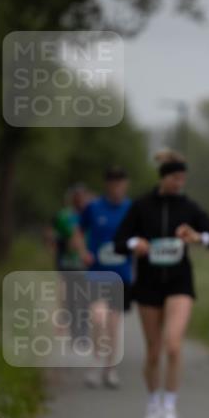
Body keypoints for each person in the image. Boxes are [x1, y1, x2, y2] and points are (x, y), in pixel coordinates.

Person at [114, 149, 209, 418]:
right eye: (175, 178)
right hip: (149, 285)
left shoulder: (188, 208)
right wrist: (134, 244)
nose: (179, 183)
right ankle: (152, 406)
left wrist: (198, 236)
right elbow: (119, 241)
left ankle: (170, 408)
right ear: (163, 178)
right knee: (153, 351)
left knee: (173, 345)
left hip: (179, 284)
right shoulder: (141, 206)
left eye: (182, 179)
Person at [71, 166, 133, 389]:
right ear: (107, 185)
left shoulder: (131, 208)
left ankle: (110, 368)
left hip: (122, 275)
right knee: (98, 318)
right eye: (113, 183)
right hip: (97, 272)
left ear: (125, 185)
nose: (117, 187)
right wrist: (82, 252)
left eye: (121, 183)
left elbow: (142, 236)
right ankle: (95, 364)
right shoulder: (93, 208)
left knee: (114, 324)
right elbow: (77, 231)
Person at [47, 183, 92, 344]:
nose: (80, 200)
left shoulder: (90, 214)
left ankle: (83, 332)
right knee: (70, 299)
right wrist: (57, 242)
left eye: (83, 196)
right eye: (77, 197)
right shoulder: (63, 216)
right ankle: (75, 332)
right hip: (67, 263)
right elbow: (51, 234)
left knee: (85, 298)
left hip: (86, 264)